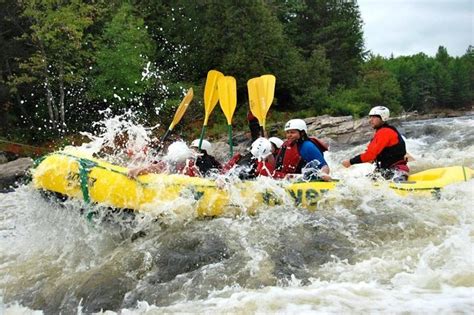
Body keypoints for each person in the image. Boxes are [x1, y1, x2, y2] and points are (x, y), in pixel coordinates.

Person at [342, 106, 409, 181]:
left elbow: (369, 155)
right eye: (370, 117)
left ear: (382, 118)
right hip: (388, 171)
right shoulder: (383, 131)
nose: (370, 120)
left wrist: (350, 162)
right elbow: (371, 154)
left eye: (374, 117)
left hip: (395, 172)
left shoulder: (385, 132)